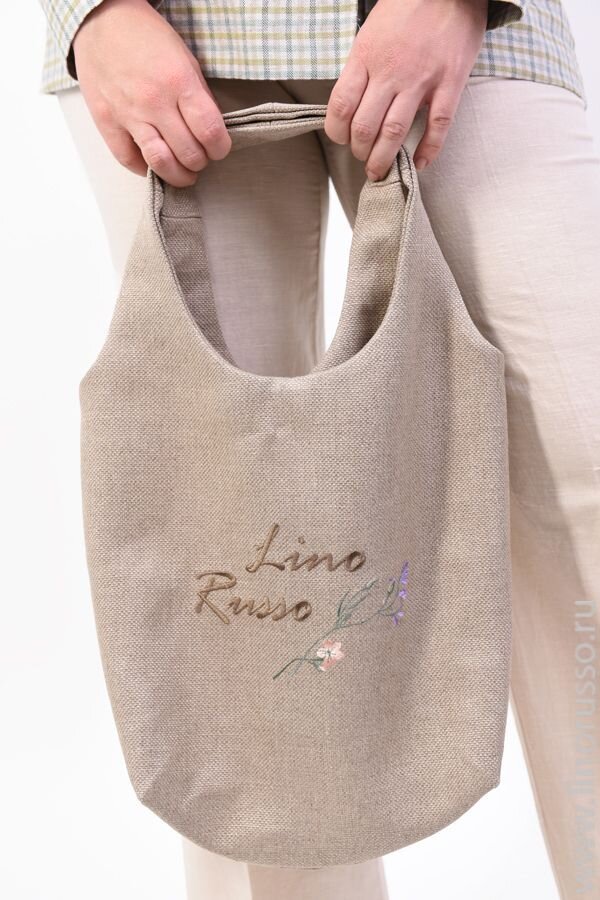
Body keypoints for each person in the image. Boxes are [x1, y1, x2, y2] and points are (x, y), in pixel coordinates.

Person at [39, 1, 599, 898]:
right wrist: (91, 12)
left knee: (584, 461)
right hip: (170, 31)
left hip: (467, 22)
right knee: (221, 508)